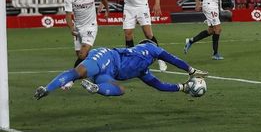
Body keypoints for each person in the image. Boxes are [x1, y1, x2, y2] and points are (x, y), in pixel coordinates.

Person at [34, 40, 207, 99]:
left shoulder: (143, 71)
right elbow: (171, 58)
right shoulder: (151, 48)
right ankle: (47, 88)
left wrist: (182, 87)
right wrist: (190, 70)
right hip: (106, 56)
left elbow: (159, 85)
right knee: (78, 73)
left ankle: (96, 88)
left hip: (109, 73)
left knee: (120, 90)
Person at [61, 0, 109, 89]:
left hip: (91, 26)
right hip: (78, 28)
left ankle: (70, 80)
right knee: (81, 57)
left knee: (82, 54)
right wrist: (71, 28)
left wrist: (106, 8)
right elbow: (67, 15)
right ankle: (99, 72)